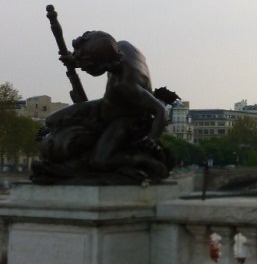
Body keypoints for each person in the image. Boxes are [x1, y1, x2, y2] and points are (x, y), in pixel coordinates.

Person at [34, 30, 177, 182]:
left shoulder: (125, 85)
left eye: (87, 65)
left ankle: (139, 160)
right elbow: (100, 56)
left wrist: (150, 141)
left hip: (127, 120)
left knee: (99, 161)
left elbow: (161, 112)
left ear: (103, 63)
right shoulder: (121, 47)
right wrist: (75, 60)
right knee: (50, 121)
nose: (82, 68)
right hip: (105, 106)